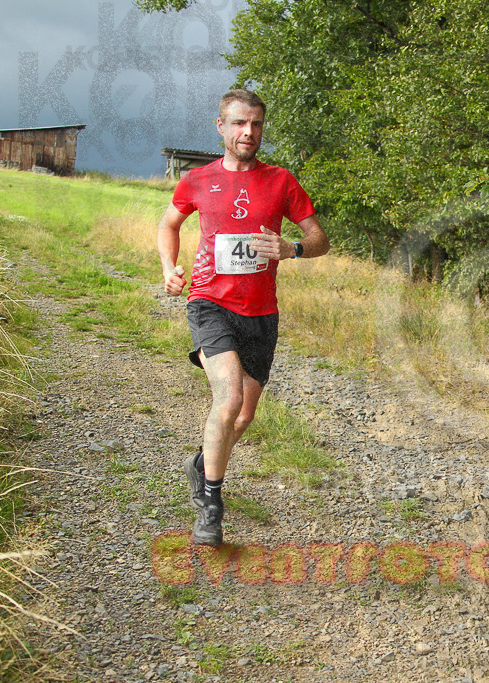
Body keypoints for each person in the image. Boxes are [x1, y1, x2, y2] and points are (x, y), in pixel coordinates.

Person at [157, 89, 330, 546]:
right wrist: (168, 268)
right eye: (238, 123)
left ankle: (202, 461)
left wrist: (292, 248)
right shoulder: (197, 179)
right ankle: (210, 506)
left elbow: (320, 239)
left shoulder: (281, 182)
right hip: (209, 302)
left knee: (243, 416)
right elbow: (168, 224)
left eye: (254, 124)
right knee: (229, 396)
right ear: (221, 127)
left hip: (262, 312)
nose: (247, 132)